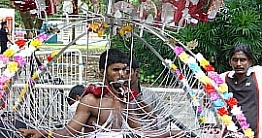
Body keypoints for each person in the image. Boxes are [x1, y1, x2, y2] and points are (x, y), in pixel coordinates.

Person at [19, 48, 183, 138]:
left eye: (125, 70)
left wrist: (170, 134)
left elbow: (140, 132)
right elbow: (69, 132)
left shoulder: (126, 100)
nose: (122, 74)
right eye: (116, 70)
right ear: (102, 72)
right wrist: (42, 133)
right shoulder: (91, 100)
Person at [221, 43, 262, 138]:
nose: (238, 64)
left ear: (250, 62)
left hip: (255, 134)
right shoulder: (223, 78)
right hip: (230, 134)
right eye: (235, 60)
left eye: (243, 60)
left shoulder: (259, 75)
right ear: (230, 62)